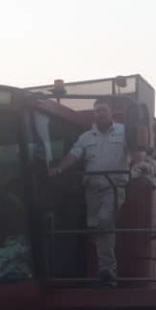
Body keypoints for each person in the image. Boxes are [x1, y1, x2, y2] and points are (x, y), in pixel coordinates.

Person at [48, 99, 142, 284]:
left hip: (114, 187)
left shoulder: (125, 132)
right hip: (92, 189)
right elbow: (73, 156)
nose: (99, 114)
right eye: (96, 111)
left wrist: (141, 166)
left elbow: (136, 153)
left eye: (103, 110)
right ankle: (102, 266)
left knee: (105, 220)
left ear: (111, 112)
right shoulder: (86, 137)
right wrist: (58, 169)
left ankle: (108, 271)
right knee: (96, 230)